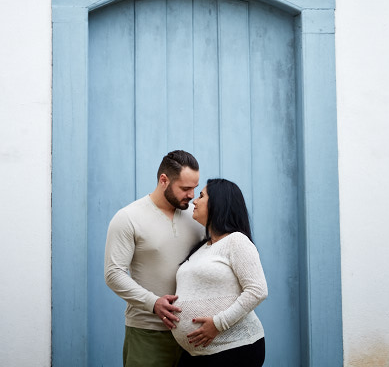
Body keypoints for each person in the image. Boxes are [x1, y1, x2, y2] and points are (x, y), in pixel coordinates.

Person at [105, 150, 206, 367]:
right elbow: (113, 274)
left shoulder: (197, 217)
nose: (191, 195)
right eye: (185, 188)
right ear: (164, 180)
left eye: (195, 188)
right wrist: (153, 303)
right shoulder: (128, 218)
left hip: (193, 336)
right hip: (147, 333)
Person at [172, 178, 268, 366]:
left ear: (219, 202)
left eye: (201, 196)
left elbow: (258, 290)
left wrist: (218, 324)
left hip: (235, 347)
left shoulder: (236, 241)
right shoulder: (201, 248)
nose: (194, 201)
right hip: (197, 351)